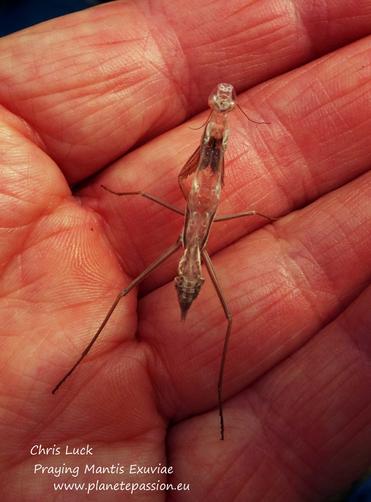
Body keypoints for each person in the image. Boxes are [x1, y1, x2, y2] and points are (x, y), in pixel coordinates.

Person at [0, 1, 370, 499]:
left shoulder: (220, 143)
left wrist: (232, 165)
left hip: (196, 254)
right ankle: (77, 363)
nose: (222, 105)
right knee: (136, 283)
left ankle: (216, 399)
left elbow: (208, 182)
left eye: (225, 104)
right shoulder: (212, 144)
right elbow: (198, 182)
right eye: (220, 104)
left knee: (230, 317)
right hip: (190, 244)